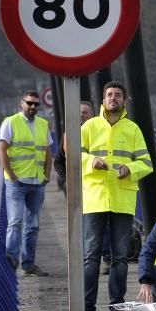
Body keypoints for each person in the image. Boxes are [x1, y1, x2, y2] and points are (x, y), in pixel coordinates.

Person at [81, 80, 153, 311]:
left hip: (122, 200)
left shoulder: (133, 129)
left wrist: (130, 169)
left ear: (124, 101)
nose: (113, 98)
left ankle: (117, 305)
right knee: (90, 256)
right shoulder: (89, 127)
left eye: (118, 95)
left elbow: (146, 163)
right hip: (95, 199)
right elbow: (74, 156)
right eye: (109, 94)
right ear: (102, 100)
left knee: (120, 257)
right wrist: (91, 161)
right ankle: (87, 308)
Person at [53, 100, 113, 274]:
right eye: (78, 112)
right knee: (80, 222)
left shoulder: (101, 132)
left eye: (85, 112)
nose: (81, 115)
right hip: (75, 187)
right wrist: (66, 180)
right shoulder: (68, 134)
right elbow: (58, 161)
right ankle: (86, 257)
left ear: (92, 114)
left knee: (103, 222)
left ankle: (107, 257)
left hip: (97, 186)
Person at [0, 90, 53, 276]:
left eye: (36, 104)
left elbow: (47, 152)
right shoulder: (11, 122)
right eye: (29, 103)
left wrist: (47, 174)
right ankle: (11, 261)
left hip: (37, 182)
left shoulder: (43, 124)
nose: (33, 107)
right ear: (21, 103)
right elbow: (2, 151)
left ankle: (28, 264)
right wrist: (11, 175)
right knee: (15, 221)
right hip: (17, 183)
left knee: (33, 225)